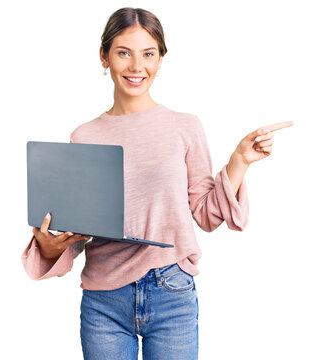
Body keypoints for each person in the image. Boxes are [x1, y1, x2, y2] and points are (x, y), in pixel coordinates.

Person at [21, 7, 293, 360]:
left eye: (148, 54)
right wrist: (51, 246)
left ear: (161, 60)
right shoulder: (84, 135)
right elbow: (80, 226)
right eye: (124, 53)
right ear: (104, 57)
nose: (137, 67)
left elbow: (205, 215)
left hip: (171, 290)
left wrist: (239, 161)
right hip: (104, 299)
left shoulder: (185, 126)